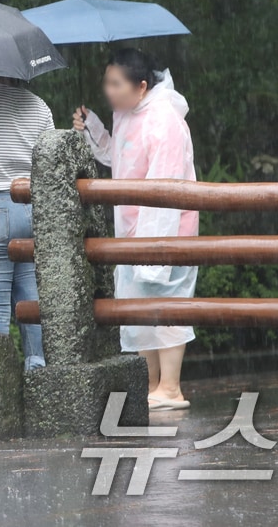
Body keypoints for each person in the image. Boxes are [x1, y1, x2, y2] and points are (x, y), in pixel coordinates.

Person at [73, 48, 198, 411]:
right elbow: (119, 157)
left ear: (141, 86)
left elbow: (166, 184)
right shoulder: (126, 113)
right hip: (132, 227)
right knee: (141, 306)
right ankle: (153, 384)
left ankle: (171, 387)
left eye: (116, 84)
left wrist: (153, 246)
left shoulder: (165, 120)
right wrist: (93, 126)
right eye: (107, 82)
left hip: (167, 226)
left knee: (167, 303)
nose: (109, 90)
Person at [0, 75, 54, 371]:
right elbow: (50, 159)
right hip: (31, 206)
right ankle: (38, 370)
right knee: (32, 299)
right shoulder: (38, 105)